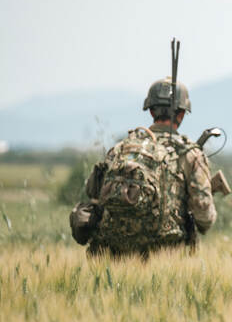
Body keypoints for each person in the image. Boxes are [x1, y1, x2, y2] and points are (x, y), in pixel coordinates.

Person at [69, 77, 216, 258]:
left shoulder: (120, 149)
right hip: (166, 256)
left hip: (113, 252)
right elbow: (205, 219)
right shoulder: (190, 154)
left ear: (152, 111)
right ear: (182, 114)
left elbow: (94, 196)